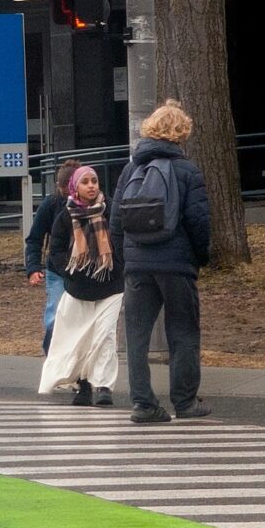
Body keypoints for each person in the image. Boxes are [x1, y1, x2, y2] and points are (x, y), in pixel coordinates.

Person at [110, 100, 212, 425]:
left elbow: (115, 221)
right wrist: (200, 256)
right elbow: (198, 221)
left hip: (138, 264)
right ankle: (184, 401)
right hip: (176, 263)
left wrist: (126, 258)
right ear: (180, 132)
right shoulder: (187, 171)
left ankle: (143, 402)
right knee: (182, 330)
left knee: (136, 335)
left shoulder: (130, 169)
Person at [29, 166, 118, 405]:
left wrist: (117, 267)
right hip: (78, 287)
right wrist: (73, 271)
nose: (91, 186)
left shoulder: (111, 210)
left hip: (111, 286)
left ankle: (103, 387)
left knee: (105, 335)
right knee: (80, 337)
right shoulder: (66, 215)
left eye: (95, 181)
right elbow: (55, 250)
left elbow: (122, 241)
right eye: (85, 182)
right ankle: (83, 384)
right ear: (74, 187)